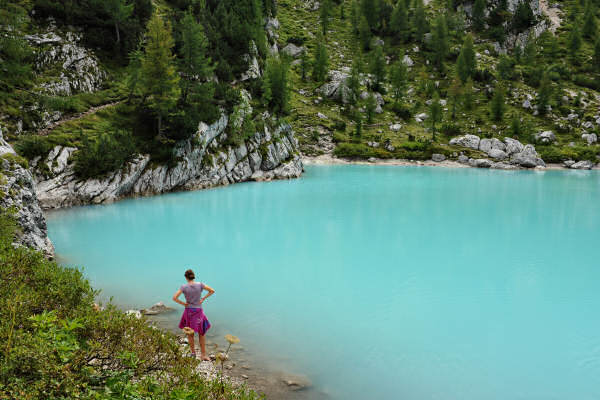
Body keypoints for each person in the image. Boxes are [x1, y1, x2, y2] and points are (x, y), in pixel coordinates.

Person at [172, 269, 215, 360]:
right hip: (198, 311)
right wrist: (203, 298)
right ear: (193, 276)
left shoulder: (184, 287)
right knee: (201, 333)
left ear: (186, 277)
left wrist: (184, 304)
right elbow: (212, 291)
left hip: (189, 311)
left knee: (190, 333)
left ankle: (193, 353)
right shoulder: (200, 285)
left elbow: (174, 298)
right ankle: (203, 355)